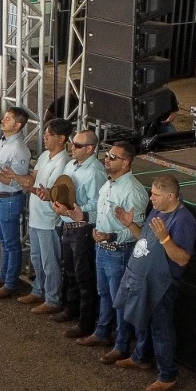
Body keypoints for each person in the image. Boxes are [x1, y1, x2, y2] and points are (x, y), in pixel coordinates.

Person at [107, 175, 196, 391]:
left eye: (156, 195)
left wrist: (166, 238)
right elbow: (145, 239)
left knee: (161, 329)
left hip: (162, 283)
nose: (151, 198)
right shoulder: (157, 212)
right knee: (142, 320)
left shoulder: (183, 220)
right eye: (152, 193)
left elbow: (182, 258)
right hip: (141, 279)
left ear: (170, 196)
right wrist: (131, 225)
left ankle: (167, 375)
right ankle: (141, 357)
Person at [8, 119, 72, 313]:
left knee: (50, 260)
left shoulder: (63, 162)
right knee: (37, 257)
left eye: (49, 134)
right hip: (36, 215)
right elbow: (34, 179)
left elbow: (50, 193)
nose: (44, 137)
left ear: (61, 139)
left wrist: (29, 187)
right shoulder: (45, 155)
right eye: (45, 133)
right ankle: (38, 290)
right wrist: (19, 178)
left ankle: (53, 299)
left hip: (49, 218)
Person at [58, 132, 110, 340]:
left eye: (78, 145)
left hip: (82, 229)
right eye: (73, 143)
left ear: (90, 149)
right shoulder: (71, 165)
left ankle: (86, 322)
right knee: (69, 270)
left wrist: (76, 211)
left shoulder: (96, 172)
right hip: (68, 225)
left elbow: (98, 206)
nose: (73, 147)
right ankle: (71, 309)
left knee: (84, 276)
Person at [0, 105, 32, 298]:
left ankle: (10, 282)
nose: (3, 120)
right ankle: (3, 276)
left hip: (9, 199)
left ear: (18, 125)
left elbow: (17, 182)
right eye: (5, 117)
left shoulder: (19, 149)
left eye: (8, 119)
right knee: (3, 240)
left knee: (11, 242)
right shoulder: (2, 142)